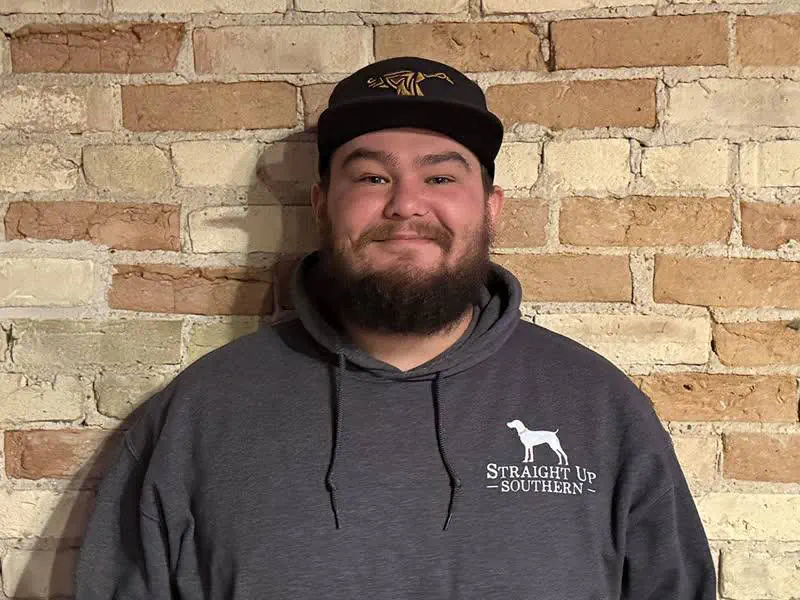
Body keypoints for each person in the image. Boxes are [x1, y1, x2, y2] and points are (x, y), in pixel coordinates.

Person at [74, 56, 716, 599]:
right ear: (322, 204)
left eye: (440, 176)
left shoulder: (599, 408)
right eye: (372, 177)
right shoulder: (200, 413)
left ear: (491, 208)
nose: (406, 203)